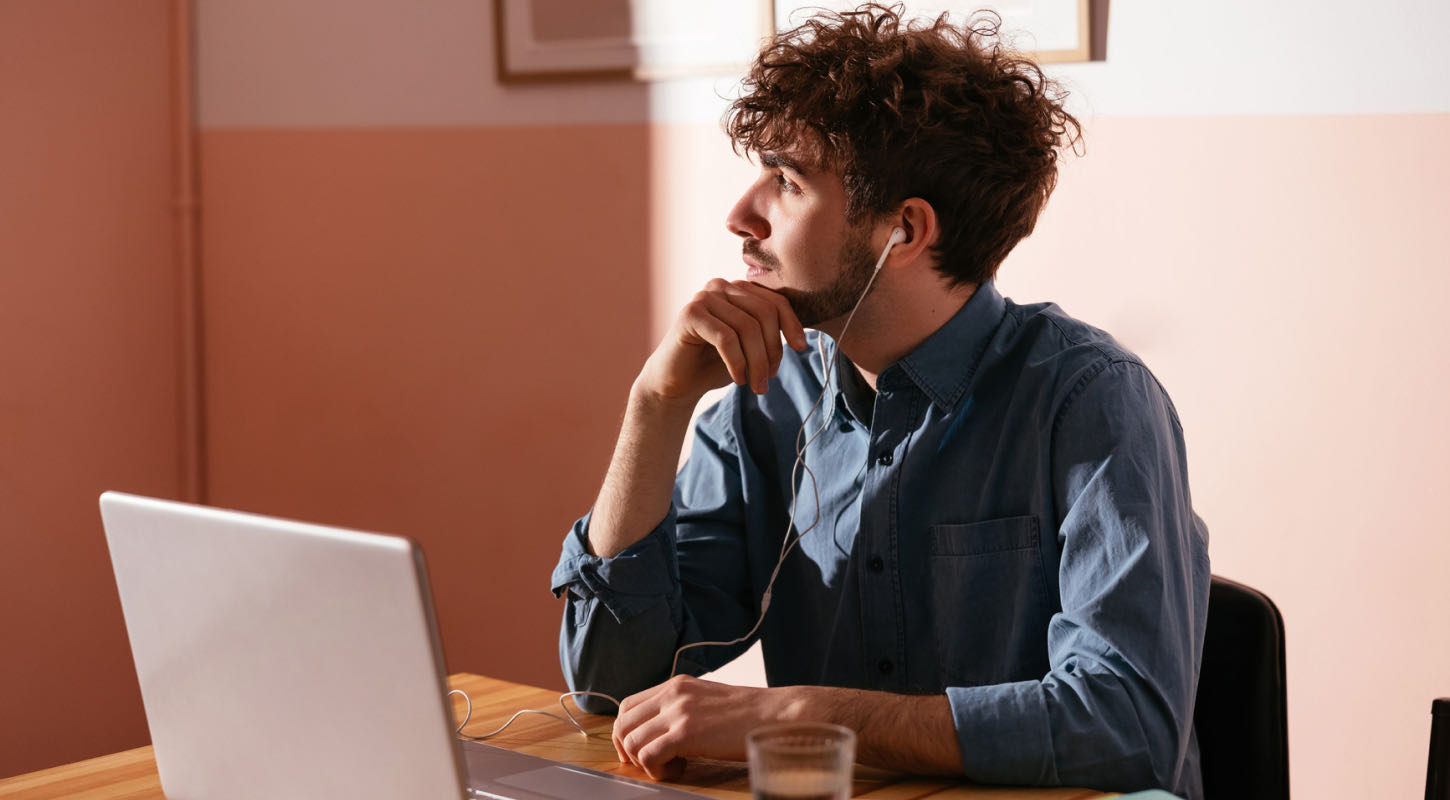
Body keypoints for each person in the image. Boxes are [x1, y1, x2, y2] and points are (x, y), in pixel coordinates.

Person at [549, 3, 1210, 798]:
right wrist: (654, 405)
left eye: (787, 183)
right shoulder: (772, 395)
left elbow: (1126, 728)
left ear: (904, 232)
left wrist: (795, 716)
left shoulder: (1091, 402)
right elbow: (608, 684)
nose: (740, 216)